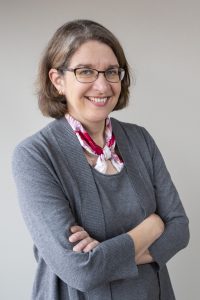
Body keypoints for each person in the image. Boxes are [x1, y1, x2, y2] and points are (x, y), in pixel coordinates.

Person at [12, 19, 189, 300]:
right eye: (85, 71)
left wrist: (104, 256)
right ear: (57, 80)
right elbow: (81, 270)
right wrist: (152, 227)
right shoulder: (35, 155)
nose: (102, 85)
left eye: (111, 72)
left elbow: (179, 229)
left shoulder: (140, 140)